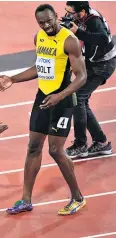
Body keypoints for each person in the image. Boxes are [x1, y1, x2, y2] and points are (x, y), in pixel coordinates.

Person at [0, 4, 87, 215]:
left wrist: (59, 96)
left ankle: (78, 197)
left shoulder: (69, 41)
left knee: (55, 150)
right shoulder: (39, 37)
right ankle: (25, 200)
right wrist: (13, 79)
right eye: (41, 23)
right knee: (33, 147)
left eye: (49, 20)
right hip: (43, 98)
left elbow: (81, 77)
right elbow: (39, 66)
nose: (45, 25)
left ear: (56, 16)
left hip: (63, 100)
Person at [64, 1, 116, 159]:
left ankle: (81, 145)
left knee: (78, 97)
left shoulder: (94, 21)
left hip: (103, 65)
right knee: (81, 100)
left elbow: (102, 39)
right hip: (92, 63)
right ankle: (100, 142)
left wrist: (78, 31)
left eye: (71, 12)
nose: (69, 15)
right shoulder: (79, 17)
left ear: (82, 11)